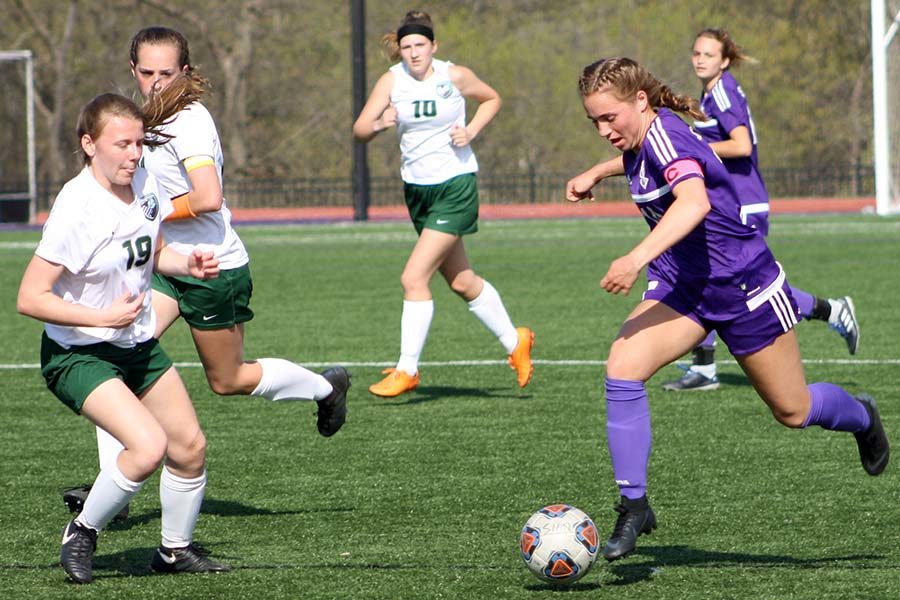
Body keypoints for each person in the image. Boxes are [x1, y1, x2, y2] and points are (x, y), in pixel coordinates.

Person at [565, 57, 888, 562]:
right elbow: (641, 159)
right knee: (622, 368)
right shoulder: (644, 137)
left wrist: (634, 258)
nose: (604, 130)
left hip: (744, 287)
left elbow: (692, 203)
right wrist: (597, 172)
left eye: (610, 118)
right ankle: (634, 506)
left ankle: (862, 416)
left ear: (640, 101)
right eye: (595, 123)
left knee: (794, 410)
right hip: (684, 286)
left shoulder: (667, 136)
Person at [62, 26, 350, 519]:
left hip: (213, 267)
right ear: (133, 71)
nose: (156, 82)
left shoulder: (189, 122)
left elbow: (207, 197)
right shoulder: (141, 119)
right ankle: (115, 490)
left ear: (186, 72)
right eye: (147, 72)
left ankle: (326, 388)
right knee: (114, 359)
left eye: (166, 73)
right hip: (164, 264)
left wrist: (144, 215)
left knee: (229, 379)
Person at [17, 93, 229, 583]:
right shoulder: (77, 208)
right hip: (78, 354)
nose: (133, 154)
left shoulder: (146, 183)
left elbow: (153, 251)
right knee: (147, 447)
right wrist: (102, 316)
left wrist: (186, 262)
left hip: (134, 343)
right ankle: (84, 530)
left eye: (139, 143)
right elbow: (29, 297)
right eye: (121, 144)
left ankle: (174, 551)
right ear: (89, 145)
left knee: (189, 447)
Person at [660, 28, 859, 391]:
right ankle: (704, 369)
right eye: (696, 53)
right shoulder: (712, 92)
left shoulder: (723, 92)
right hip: (726, 204)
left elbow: (741, 147)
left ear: (723, 60)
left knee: (746, 287)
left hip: (743, 202)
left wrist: (693, 147)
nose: (700, 59)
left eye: (708, 54)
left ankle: (831, 310)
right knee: (709, 276)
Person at [352, 11, 533, 397]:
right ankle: (516, 341)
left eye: (420, 45)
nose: (414, 53)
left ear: (434, 46)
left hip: (455, 185)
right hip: (418, 191)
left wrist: (471, 130)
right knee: (462, 281)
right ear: (399, 51)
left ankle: (407, 369)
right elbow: (360, 129)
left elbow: (491, 98)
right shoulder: (392, 81)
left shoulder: (454, 76)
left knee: (413, 278)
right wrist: (382, 123)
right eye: (406, 47)